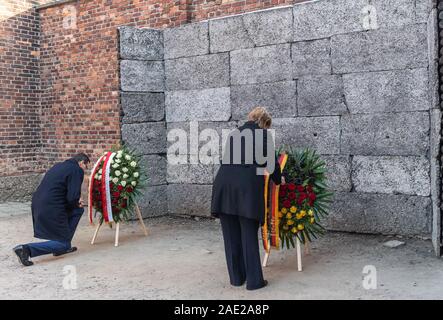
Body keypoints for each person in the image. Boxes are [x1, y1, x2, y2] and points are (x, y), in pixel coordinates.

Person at [211, 107, 285, 290]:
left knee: (230, 236)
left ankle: (237, 278)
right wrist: (279, 179)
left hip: (223, 186)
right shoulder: (263, 136)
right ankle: (254, 281)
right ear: (264, 123)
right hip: (246, 189)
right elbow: (271, 166)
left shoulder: (234, 134)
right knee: (248, 234)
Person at [13, 153, 90, 266]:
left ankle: (62, 244)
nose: (85, 169)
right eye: (86, 166)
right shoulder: (76, 170)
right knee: (63, 244)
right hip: (53, 206)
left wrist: (75, 204)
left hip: (38, 203)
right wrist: (77, 202)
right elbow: (72, 197)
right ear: (82, 162)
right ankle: (26, 249)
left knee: (78, 210)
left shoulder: (58, 166)